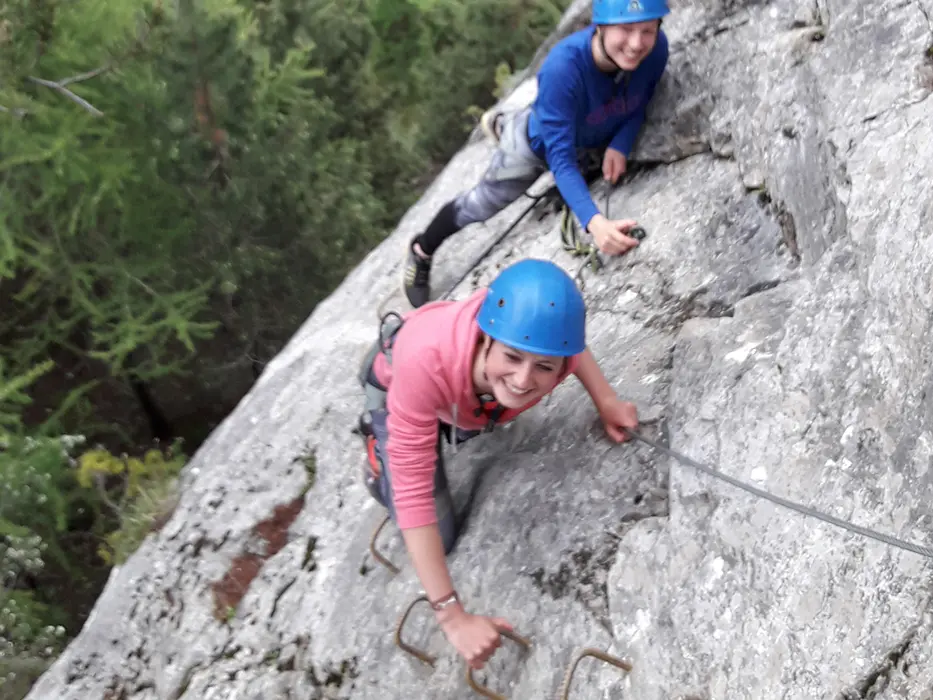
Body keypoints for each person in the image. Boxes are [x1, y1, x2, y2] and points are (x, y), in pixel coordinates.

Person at [358, 258, 640, 670]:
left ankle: (455, 419)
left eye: (543, 366)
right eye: (512, 357)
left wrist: (607, 401)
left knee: (493, 404)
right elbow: (414, 491)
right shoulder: (427, 363)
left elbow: (573, 352)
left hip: (467, 400)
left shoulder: (546, 349)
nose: (525, 379)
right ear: (485, 338)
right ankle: (379, 453)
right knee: (439, 533)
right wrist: (451, 615)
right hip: (398, 380)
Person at [401, 0, 672, 308]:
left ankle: (504, 122)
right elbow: (560, 159)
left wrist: (621, 143)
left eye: (647, 30)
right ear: (600, 26)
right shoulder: (564, 67)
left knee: (554, 115)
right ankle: (421, 249)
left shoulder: (656, 51)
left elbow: (642, 97)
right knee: (479, 206)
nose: (637, 43)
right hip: (538, 147)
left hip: (586, 133)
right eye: (625, 29)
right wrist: (594, 222)